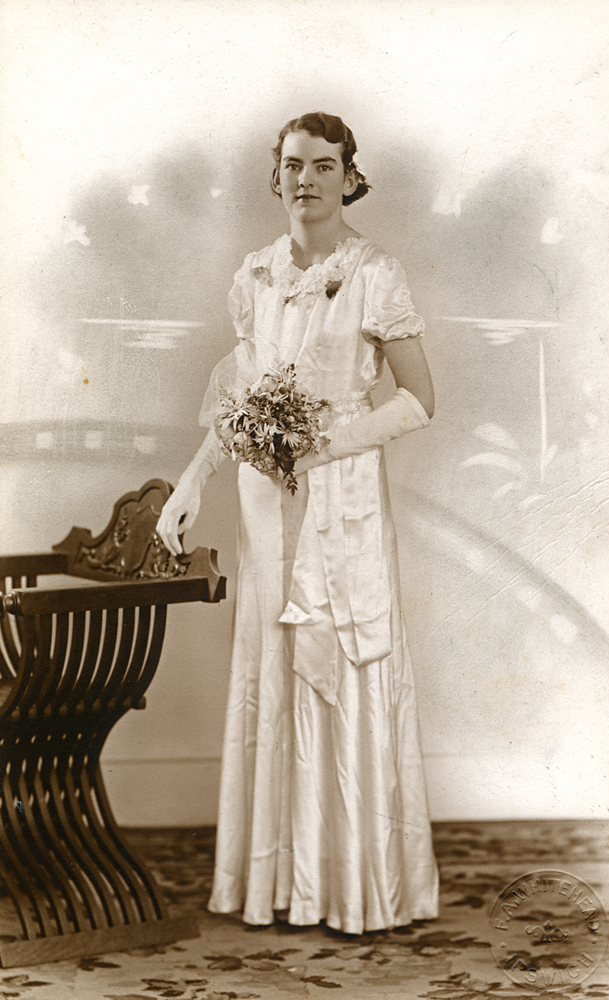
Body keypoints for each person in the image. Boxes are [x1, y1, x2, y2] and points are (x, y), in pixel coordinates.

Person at [157, 112, 439, 935]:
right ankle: (277, 886)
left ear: (350, 176)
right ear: (274, 176)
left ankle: (352, 887)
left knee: (338, 660)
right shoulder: (253, 275)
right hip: (263, 502)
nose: (306, 179)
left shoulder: (375, 273)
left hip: (339, 495)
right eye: (292, 165)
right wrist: (190, 483)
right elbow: (240, 401)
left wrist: (324, 447)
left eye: (324, 165)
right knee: (270, 666)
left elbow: (420, 400)